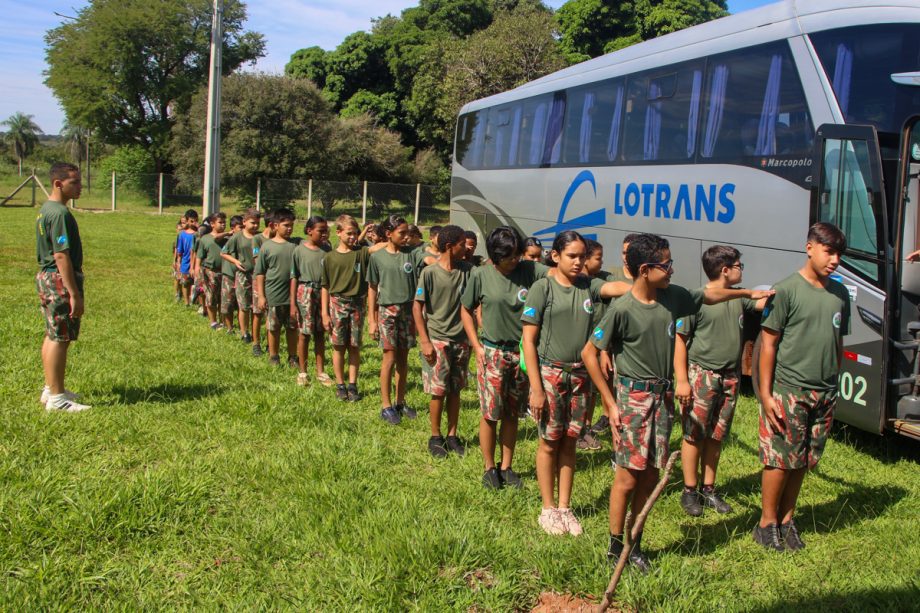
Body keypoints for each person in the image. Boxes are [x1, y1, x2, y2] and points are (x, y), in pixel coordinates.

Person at [582, 233, 772, 570]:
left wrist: (746, 292)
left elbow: (710, 295)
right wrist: (610, 404)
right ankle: (615, 546)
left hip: (662, 399)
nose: (672, 269)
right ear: (645, 269)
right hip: (633, 400)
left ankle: (634, 542)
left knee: (652, 475)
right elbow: (589, 353)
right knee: (628, 477)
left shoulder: (673, 298)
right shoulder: (623, 310)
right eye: (666, 264)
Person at [521, 231, 632, 536]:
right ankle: (547, 508)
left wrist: (643, 283)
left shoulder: (588, 285)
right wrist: (536, 387)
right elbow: (528, 341)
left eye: (583, 256)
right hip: (549, 373)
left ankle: (565, 507)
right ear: (555, 256)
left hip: (580, 375)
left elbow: (614, 287)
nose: (578, 262)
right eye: (572, 255)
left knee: (570, 440)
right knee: (548, 442)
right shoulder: (542, 289)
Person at [754, 222, 850, 552]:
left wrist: (834, 380)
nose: (835, 260)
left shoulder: (839, 294)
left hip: (823, 393)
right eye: (829, 251)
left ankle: (786, 519)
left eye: (839, 254)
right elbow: (767, 346)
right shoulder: (786, 291)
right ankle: (766, 523)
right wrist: (766, 395)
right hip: (789, 390)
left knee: (804, 460)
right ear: (810, 248)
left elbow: (837, 340)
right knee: (780, 460)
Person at [674, 245, 766, 518]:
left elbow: (761, 303)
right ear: (725, 270)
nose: (742, 270)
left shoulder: (738, 298)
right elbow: (681, 341)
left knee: (716, 435)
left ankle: (708, 488)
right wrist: (682, 380)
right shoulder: (698, 299)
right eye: (739, 266)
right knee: (694, 434)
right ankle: (690, 490)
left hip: (730, 376)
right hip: (702, 375)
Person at [461, 226, 548, 488]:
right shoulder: (480, 275)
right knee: (491, 413)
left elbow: (557, 274)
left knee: (513, 412)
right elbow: (466, 309)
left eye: (518, 254)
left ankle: (507, 466)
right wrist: (476, 345)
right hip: (493, 352)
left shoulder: (530, 271)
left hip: (522, 354)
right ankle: (489, 467)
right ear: (496, 256)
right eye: (510, 256)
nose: (516, 260)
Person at [414, 225, 474, 457]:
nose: (466, 247)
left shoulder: (467, 270)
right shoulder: (429, 273)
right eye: (462, 244)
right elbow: (417, 308)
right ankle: (436, 436)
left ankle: (452, 435)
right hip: (438, 340)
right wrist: (425, 341)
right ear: (450, 247)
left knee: (455, 390)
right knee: (438, 391)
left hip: (461, 341)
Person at [36, 162, 90, 412]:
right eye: (74, 182)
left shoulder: (47, 208)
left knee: (53, 334)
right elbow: (61, 255)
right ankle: (57, 399)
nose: (80, 187)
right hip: (59, 277)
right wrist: (73, 292)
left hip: (48, 276)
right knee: (61, 337)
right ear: (58, 184)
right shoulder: (59, 213)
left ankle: (51, 387)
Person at [368, 215, 420, 424]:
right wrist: (372, 320)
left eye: (408, 232)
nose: (407, 237)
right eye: (402, 233)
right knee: (389, 357)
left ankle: (400, 401)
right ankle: (386, 405)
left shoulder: (412, 254)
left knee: (403, 358)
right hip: (387, 311)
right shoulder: (377, 257)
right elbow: (372, 289)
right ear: (388, 234)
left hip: (408, 310)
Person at [321, 214, 371, 402]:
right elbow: (325, 286)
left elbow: (378, 248)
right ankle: (340, 385)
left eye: (355, 233)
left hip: (357, 304)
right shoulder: (329, 258)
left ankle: (352, 384)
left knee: (354, 346)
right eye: (349, 233)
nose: (352, 237)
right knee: (338, 346)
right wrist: (325, 313)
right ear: (339, 232)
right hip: (337, 303)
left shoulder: (361, 253)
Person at [577, 238, 614, 451]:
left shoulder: (603, 281)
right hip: (579, 348)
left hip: (598, 347)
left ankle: (586, 428)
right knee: (581, 391)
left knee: (591, 391)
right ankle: (577, 429)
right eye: (598, 258)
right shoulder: (576, 283)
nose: (601, 262)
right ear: (586, 259)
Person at [290, 216, 333, 387]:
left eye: (326, 231)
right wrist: (293, 303)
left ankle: (321, 371)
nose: (324, 234)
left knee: (320, 332)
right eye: (320, 230)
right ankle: (303, 371)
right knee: (305, 332)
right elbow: (293, 277)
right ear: (309, 231)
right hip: (305, 292)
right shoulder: (299, 250)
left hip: (322, 292)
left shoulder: (328, 249)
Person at [254, 208, 298, 367]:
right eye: (286, 225)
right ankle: (274, 356)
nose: (289, 228)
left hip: (292, 296)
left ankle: (293, 357)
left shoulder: (296, 245)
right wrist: (261, 295)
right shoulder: (267, 247)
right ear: (275, 225)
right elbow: (260, 272)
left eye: (291, 225)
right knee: (273, 327)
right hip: (273, 294)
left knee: (293, 327)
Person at [221, 208, 260, 344]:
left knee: (257, 306)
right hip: (243, 275)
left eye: (257, 223)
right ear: (244, 222)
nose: (255, 226)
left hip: (257, 275)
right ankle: (245, 332)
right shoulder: (237, 237)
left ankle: (256, 333)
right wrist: (236, 261)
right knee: (243, 305)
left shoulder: (259, 237)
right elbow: (224, 252)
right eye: (252, 222)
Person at [194, 212, 228, 329]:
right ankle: (213, 321)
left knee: (222, 297)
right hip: (210, 271)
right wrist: (197, 268)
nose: (223, 225)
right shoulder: (205, 239)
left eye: (224, 222)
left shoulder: (227, 238)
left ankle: (223, 320)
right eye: (220, 222)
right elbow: (200, 255)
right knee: (211, 296)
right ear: (212, 224)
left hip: (224, 271)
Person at [251, 210, 275, 356]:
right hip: (260, 281)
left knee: (270, 315)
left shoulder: (277, 240)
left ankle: (269, 343)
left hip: (273, 283)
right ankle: (256, 343)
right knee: (258, 313)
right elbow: (257, 260)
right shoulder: (258, 239)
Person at [219, 215, 243, 333]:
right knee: (227, 303)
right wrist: (229, 233)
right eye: (240, 227)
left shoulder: (246, 239)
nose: (243, 230)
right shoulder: (228, 239)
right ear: (233, 228)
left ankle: (242, 327)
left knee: (241, 304)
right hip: (229, 275)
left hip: (242, 275)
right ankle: (229, 327)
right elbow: (215, 239)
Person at [175, 210, 199, 307]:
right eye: (192, 221)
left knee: (196, 283)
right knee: (185, 283)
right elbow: (179, 250)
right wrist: (178, 262)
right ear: (187, 221)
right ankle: (186, 302)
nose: (194, 223)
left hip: (197, 262)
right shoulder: (182, 235)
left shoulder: (198, 234)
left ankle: (194, 300)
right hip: (185, 261)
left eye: (196, 221)